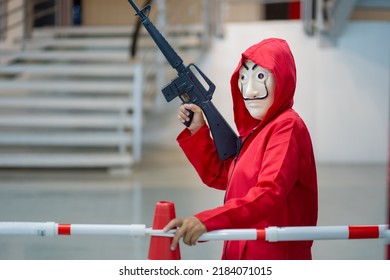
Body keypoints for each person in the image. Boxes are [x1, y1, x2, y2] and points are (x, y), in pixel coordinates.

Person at [164, 38, 318, 260]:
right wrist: (199, 131)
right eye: (243, 77)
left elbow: (268, 192)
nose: (250, 90)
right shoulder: (256, 133)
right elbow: (223, 176)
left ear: (283, 78)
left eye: (261, 76)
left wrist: (207, 221)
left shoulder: (287, 127)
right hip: (241, 253)